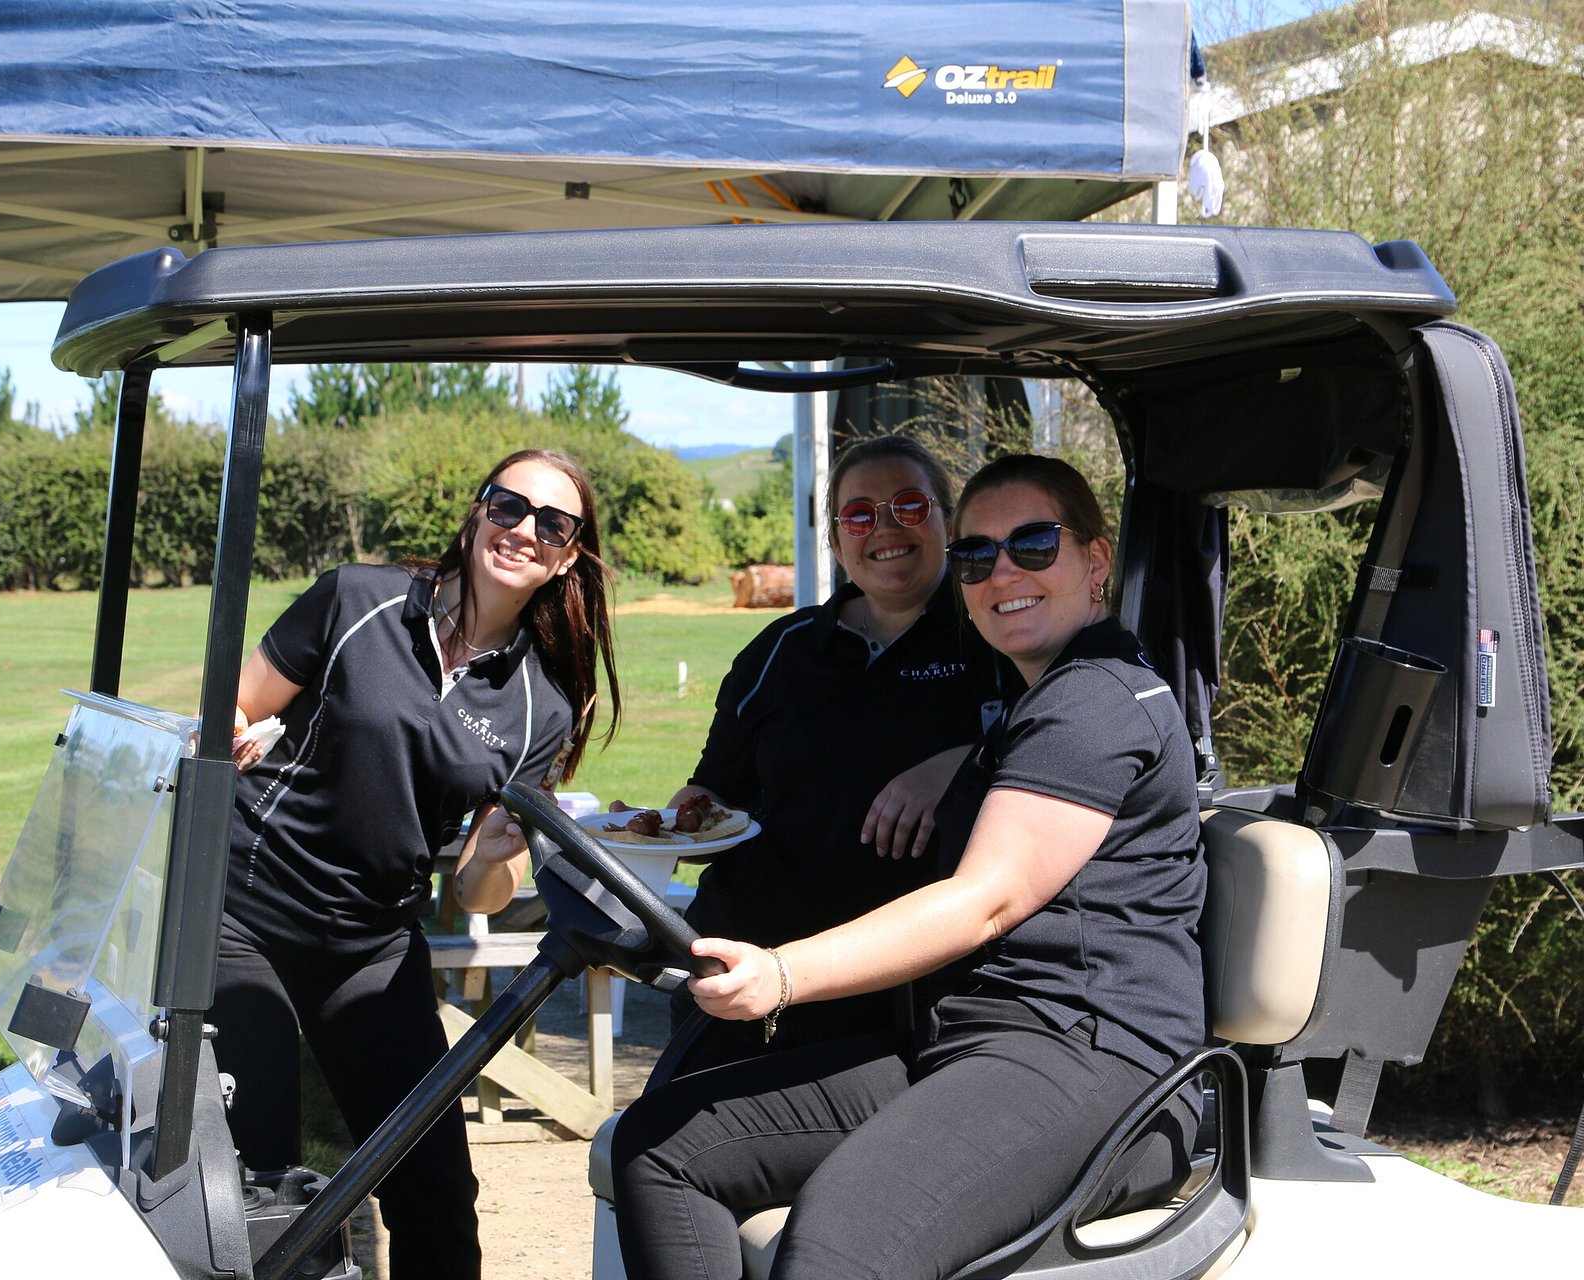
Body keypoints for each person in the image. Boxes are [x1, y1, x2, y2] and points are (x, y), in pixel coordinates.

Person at [611, 453, 1207, 1280]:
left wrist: (782, 974)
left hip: (1095, 1060)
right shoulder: (1037, 698)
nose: (1003, 573)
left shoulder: (1095, 699)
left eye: (1034, 544)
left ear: (1095, 559)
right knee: (662, 1145)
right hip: (971, 1039)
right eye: (978, 555)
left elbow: (985, 900)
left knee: (839, 1237)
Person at [211, 448, 618, 1280]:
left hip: (370, 944)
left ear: (568, 556)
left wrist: (495, 855)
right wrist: (228, 731)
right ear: (477, 512)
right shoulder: (355, 600)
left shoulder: (542, 703)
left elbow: (477, 891)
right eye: (508, 506)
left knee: (436, 1195)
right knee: (256, 1185)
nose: (524, 530)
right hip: (243, 913)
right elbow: (239, 706)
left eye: (552, 523)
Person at [644, 435, 1000, 1070]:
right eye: (859, 515)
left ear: (948, 522)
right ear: (836, 541)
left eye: (910, 506)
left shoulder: (995, 637)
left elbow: (1053, 747)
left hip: (899, 990)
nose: (884, 527)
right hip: (739, 968)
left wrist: (961, 762)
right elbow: (714, 790)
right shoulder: (782, 648)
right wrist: (665, 830)